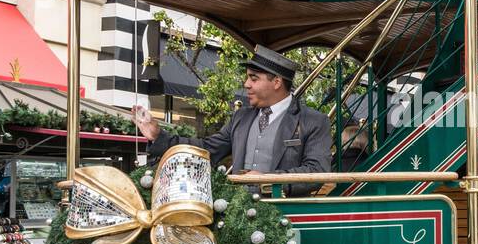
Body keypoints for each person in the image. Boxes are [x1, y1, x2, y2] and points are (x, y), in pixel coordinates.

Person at [133, 45, 331, 197]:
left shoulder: (313, 121)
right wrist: (159, 136)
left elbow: (316, 171)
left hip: (287, 217)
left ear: (277, 82)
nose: (246, 84)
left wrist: (268, 180)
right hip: (238, 214)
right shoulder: (241, 117)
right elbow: (206, 148)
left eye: (254, 79)